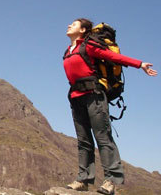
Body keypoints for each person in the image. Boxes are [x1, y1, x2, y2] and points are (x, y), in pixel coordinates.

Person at [63, 18, 157, 195]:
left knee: (103, 137)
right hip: (76, 98)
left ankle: (111, 181)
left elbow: (114, 57)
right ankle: (83, 180)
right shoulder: (68, 51)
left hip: (94, 96)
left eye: (73, 24)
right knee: (83, 141)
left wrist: (139, 64)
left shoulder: (88, 46)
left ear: (83, 30)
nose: (69, 25)